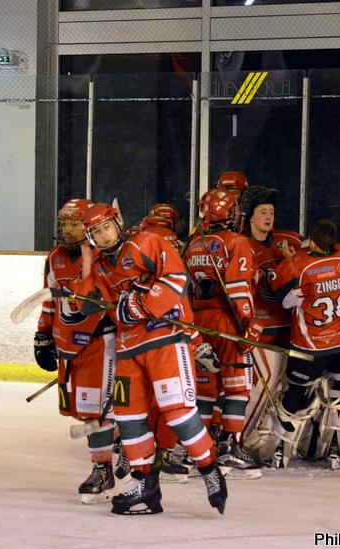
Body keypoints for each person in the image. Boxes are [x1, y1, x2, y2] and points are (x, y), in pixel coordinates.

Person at [73, 202, 227, 516]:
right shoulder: (100, 266)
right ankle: (144, 483)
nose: (103, 236)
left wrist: (139, 305)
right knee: (128, 417)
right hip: (128, 349)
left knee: (178, 413)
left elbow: (176, 278)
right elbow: (85, 306)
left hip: (164, 340)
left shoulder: (145, 242)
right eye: (96, 233)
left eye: (106, 227)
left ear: (118, 223)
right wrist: (87, 266)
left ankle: (210, 470)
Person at [33, 198, 119, 504]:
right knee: (84, 411)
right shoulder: (54, 257)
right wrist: (43, 335)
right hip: (69, 346)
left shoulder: (104, 257)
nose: (68, 230)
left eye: (74, 224)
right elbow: (49, 300)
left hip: (101, 342)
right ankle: (116, 444)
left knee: (99, 410)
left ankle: (103, 468)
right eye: (64, 224)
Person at [266, 219, 340, 466]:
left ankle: (280, 450)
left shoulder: (298, 265)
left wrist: (292, 258)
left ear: (310, 241)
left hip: (310, 348)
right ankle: (337, 451)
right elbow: (329, 257)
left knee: (294, 398)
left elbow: (280, 293)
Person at [184, 188, 262, 476]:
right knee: (237, 385)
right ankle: (230, 445)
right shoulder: (236, 242)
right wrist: (247, 324)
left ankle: (199, 450)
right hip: (227, 320)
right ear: (229, 214)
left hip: (198, 320)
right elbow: (239, 288)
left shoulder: (192, 244)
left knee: (205, 389)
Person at [240, 185, 303, 345]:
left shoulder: (291, 240)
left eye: (271, 212)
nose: (269, 217)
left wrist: (295, 262)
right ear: (250, 217)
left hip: (291, 327)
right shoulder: (239, 245)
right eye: (263, 212)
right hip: (258, 330)